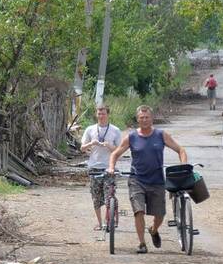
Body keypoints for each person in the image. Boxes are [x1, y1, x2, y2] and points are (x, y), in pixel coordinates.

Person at [107, 105, 188, 254]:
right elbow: (115, 154)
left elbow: (180, 150)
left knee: (160, 214)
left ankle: (153, 229)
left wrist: (184, 167)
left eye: (147, 117)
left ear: (152, 118)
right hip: (136, 180)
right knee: (139, 211)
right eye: (141, 118)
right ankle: (142, 243)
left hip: (157, 180)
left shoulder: (161, 135)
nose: (144, 120)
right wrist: (111, 167)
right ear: (137, 119)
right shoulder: (131, 137)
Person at [80, 106, 122, 230]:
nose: (101, 116)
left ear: (108, 114)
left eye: (103, 114)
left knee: (109, 195)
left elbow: (119, 150)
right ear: (96, 115)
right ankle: (100, 222)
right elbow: (82, 148)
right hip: (94, 167)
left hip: (109, 167)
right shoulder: (90, 129)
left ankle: (109, 219)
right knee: (96, 197)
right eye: (99, 114)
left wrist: (109, 146)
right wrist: (91, 143)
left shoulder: (115, 130)